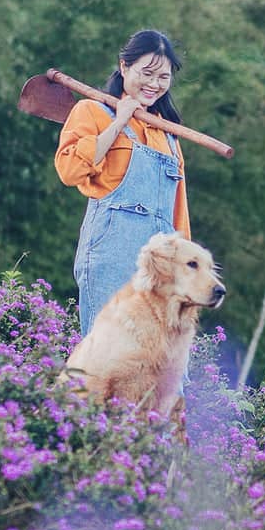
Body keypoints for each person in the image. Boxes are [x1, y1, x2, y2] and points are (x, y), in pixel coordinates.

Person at [54, 29, 191, 330]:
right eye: (147, 73)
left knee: (161, 367)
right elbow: (69, 171)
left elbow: (178, 212)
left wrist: (187, 268)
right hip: (110, 259)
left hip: (162, 267)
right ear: (124, 66)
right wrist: (119, 122)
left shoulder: (167, 133)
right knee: (107, 361)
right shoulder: (92, 111)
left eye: (164, 77)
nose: (155, 84)